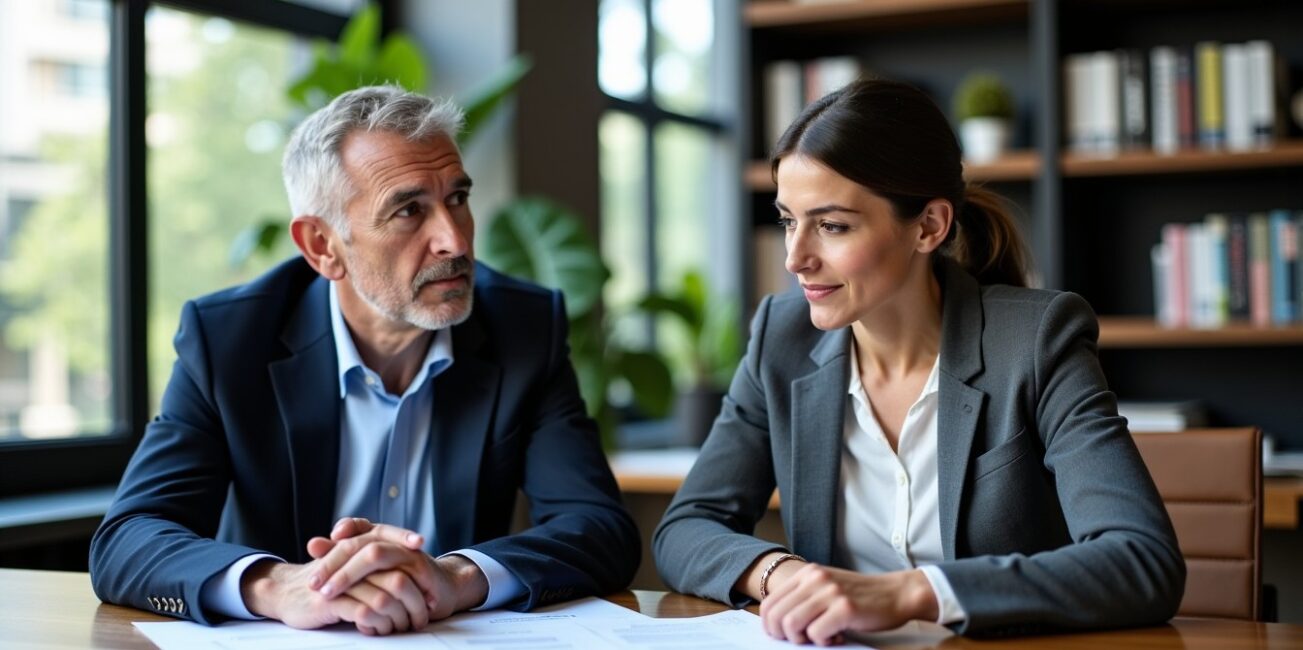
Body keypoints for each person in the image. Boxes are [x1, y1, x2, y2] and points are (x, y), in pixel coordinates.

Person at [90, 85, 639, 635]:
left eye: (457, 198)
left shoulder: (524, 327)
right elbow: (130, 537)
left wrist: (453, 577)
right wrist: (282, 587)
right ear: (322, 246)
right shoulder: (230, 339)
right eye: (408, 210)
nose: (453, 239)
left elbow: (598, 528)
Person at [653, 78, 1184, 641]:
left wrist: (911, 592)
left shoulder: (1035, 340)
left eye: (831, 226)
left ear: (929, 226)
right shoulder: (779, 341)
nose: (795, 258)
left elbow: (1141, 560)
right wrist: (782, 576)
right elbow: (686, 527)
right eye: (789, 220)